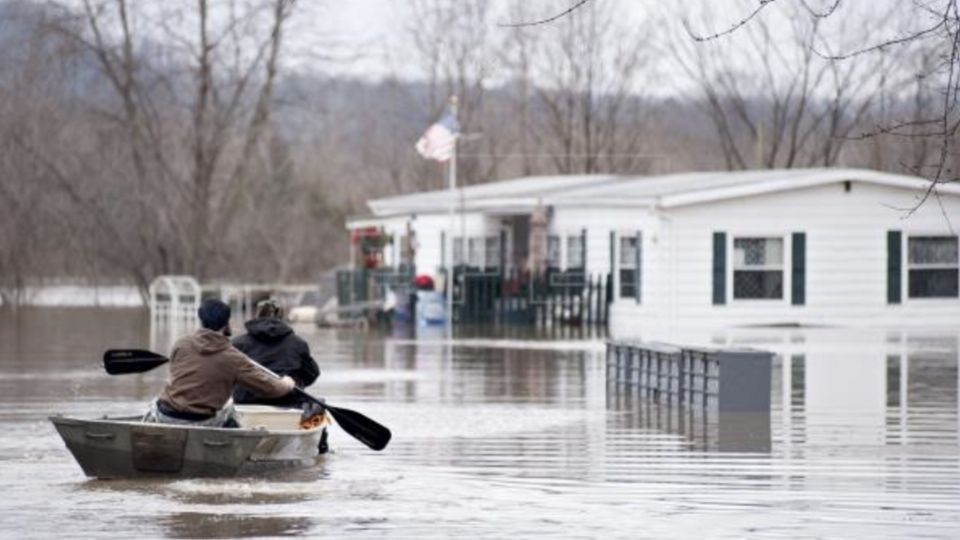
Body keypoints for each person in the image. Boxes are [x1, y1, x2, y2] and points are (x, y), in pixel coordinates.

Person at [144, 298, 296, 427]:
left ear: (201, 320)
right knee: (230, 407)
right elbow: (270, 388)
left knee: (155, 401)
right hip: (202, 421)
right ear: (227, 323)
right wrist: (287, 384)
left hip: (165, 415)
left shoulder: (180, 344)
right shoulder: (234, 358)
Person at [232, 299, 320, 408]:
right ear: (281, 317)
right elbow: (312, 374)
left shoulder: (237, 343)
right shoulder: (298, 343)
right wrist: (294, 383)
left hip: (246, 403)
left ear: (257, 315)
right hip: (289, 402)